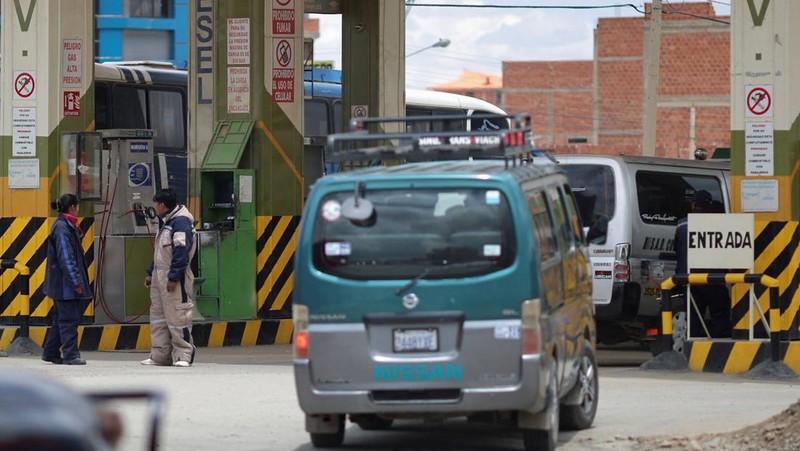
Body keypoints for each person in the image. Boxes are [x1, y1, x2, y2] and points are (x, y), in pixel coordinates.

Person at [141, 188, 197, 367]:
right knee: (158, 316)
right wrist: (151, 273)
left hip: (175, 277)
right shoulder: (167, 222)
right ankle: (160, 355)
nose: (154, 208)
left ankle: (183, 354)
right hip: (160, 275)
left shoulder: (181, 223)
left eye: (156, 204)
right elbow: (161, 252)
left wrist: (173, 277)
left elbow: (181, 252)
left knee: (177, 315)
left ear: (162, 205)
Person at [42, 193, 92, 365]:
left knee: (59, 319)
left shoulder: (67, 226)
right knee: (69, 319)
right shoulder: (63, 228)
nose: (78, 209)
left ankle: (50, 352)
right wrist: (76, 282)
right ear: (73, 207)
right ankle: (71, 355)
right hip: (65, 285)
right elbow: (66, 258)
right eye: (77, 206)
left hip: (62, 284)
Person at [674, 189, 731, 338]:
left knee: (693, 317)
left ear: (693, 205)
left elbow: (677, 250)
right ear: (710, 206)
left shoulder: (681, 225)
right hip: (715, 279)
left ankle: (692, 349)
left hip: (690, 280)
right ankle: (718, 348)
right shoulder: (720, 224)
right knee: (719, 317)